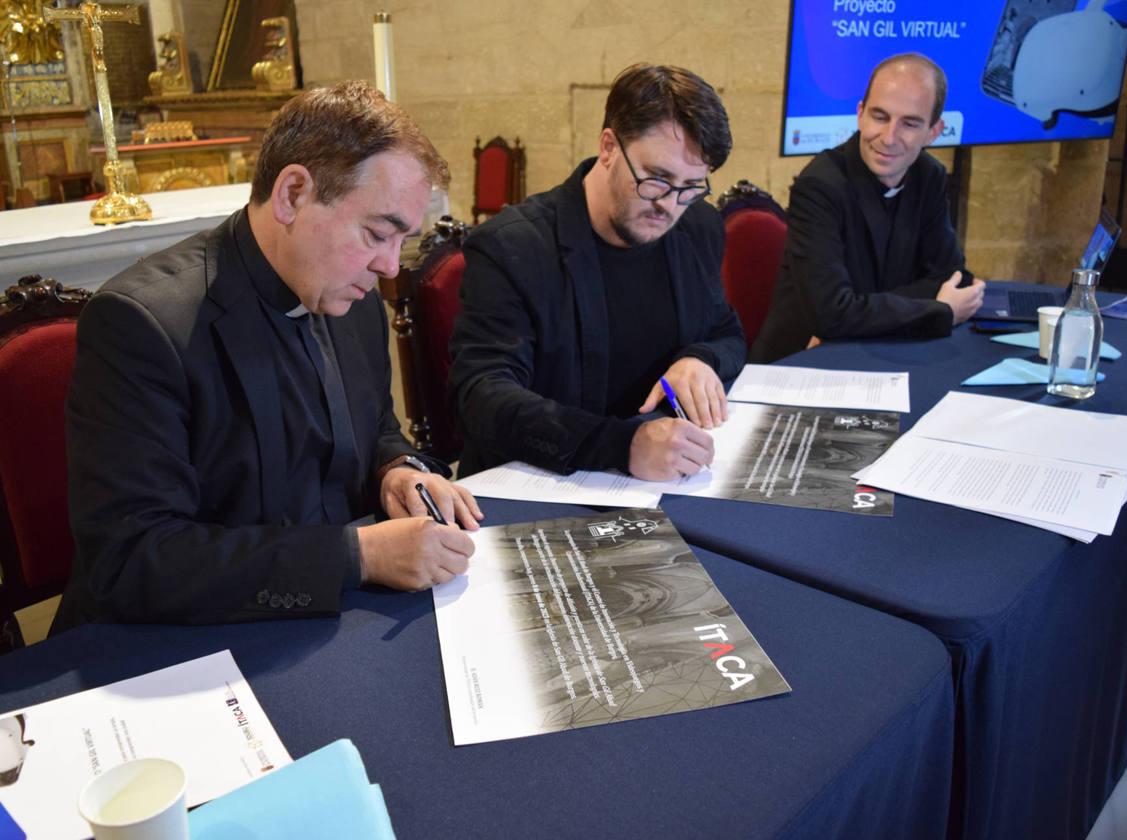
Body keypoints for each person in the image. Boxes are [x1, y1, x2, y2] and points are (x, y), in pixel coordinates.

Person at [53, 81, 481, 631]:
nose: (391, 268)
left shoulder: (356, 306)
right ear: (293, 194)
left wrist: (395, 470)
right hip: (175, 644)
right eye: (378, 233)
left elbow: (375, 429)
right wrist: (359, 556)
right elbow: (135, 558)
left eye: (403, 242)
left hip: (328, 619)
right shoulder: (141, 324)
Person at [450, 64, 745, 482]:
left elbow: (727, 333)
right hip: (543, 481)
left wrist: (701, 359)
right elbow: (483, 398)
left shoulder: (698, 226)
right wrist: (621, 446)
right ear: (608, 147)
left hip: (660, 476)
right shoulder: (513, 246)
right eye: (657, 178)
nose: (670, 204)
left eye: (691, 186)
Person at [751, 53, 986, 363]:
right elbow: (830, 313)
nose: (889, 138)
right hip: (803, 360)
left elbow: (952, 277)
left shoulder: (930, 176)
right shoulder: (820, 185)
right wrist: (937, 310)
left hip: (886, 351)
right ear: (860, 114)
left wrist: (862, 309)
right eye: (880, 117)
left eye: (910, 123)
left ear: (934, 131)